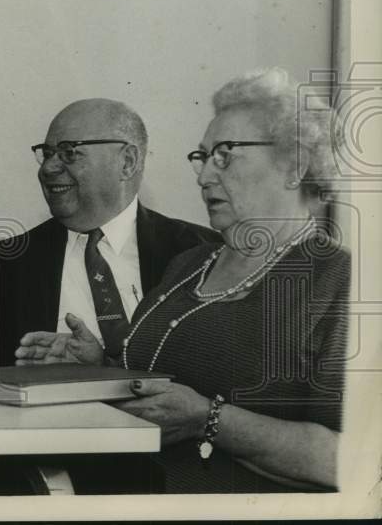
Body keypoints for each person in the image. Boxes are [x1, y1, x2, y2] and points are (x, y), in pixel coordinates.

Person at [18, 69, 348, 493]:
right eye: (203, 157)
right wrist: (100, 367)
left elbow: (354, 460)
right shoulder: (189, 264)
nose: (204, 175)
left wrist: (208, 419)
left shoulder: (340, 283)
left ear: (294, 167)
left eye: (225, 155)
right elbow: (166, 383)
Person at [0, 98, 217, 368]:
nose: (48, 168)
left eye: (69, 152)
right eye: (47, 153)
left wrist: (103, 365)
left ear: (127, 162)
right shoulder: (9, 262)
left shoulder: (202, 253)